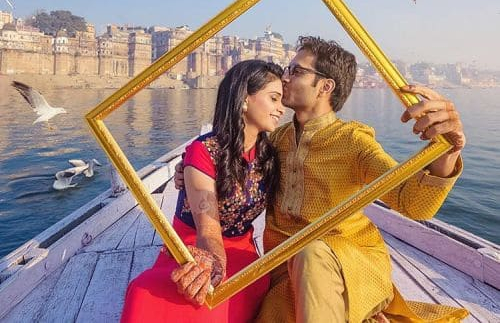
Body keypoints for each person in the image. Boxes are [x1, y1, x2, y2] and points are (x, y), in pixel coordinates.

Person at [174, 36, 468, 323]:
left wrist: (447, 152)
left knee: (310, 251)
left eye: (296, 71)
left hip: (349, 262)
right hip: (285, 273)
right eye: (288, 70)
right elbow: (222, 159)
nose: (285, 78)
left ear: (325, 86)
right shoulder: (275, 140)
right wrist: (187, 168)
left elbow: (414, 204)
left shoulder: (354, 141)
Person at [121, 59, 285, 323]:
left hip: (242, 251)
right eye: (274, 99)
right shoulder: (204, 151)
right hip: (191, 247)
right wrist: (214, 267)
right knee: (148, 293)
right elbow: (207, 230)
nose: (281, 108)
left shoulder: (272, 154)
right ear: (244, 99)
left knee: (224, 304)